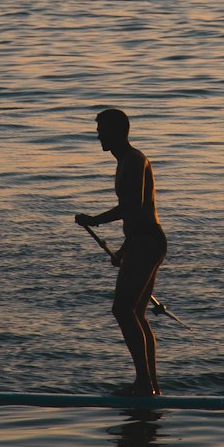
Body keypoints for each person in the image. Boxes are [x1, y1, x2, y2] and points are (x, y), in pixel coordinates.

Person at [75, 108, 168, 396]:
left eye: (102, 129)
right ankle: (151, 385)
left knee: (123, 309)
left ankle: (144, 383)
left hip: (148, 243)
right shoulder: (124, 162)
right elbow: (135, 219)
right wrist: (124, 250)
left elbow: (134, 206)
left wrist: (94, 220)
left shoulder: (135, 160)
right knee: (137, 313)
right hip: (140, 241)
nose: (98, 134)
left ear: (118, 132)